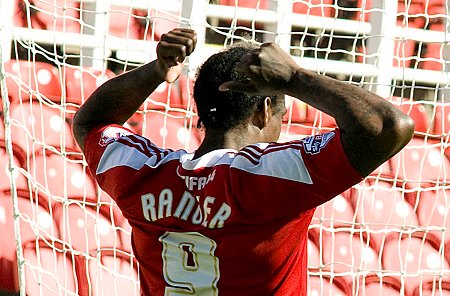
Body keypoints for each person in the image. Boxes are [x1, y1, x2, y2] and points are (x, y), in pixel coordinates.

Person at [72, 28, 414, 295]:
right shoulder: (274, 177)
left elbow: (90, 122)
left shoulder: (142, 174)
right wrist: (295, 78)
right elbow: (389, 127)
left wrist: (157, 71)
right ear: (265, 110)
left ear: (202, 111)